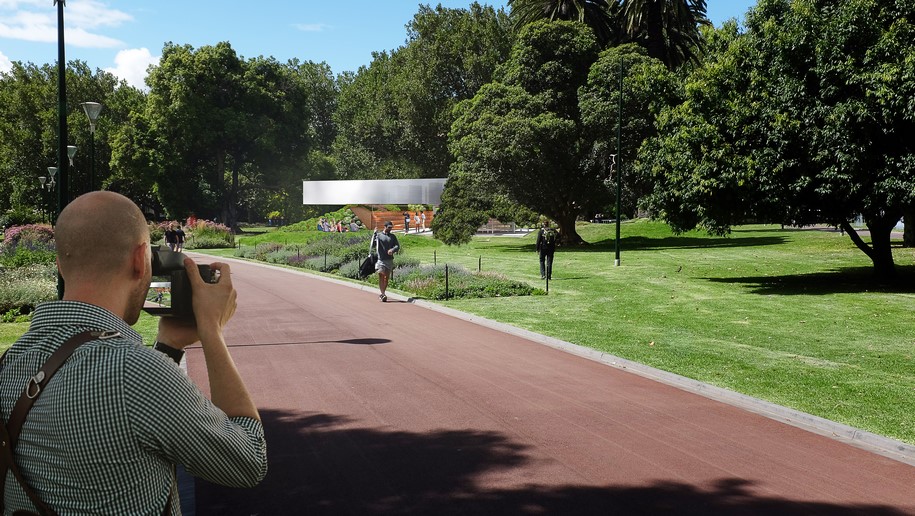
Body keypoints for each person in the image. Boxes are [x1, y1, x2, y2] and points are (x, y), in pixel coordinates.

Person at [0, 191, 266, 514]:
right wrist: (212, 332)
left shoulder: (11, 363)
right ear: (141, 260)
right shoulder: (135, 373)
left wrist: (168, 346)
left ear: (59, 265)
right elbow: (248, 460)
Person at [374, 221, 400, 302]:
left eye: (391, 227)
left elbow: (397, 246)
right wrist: (374, 233)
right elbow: (373, 244)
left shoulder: (392, 236)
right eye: (389, 227)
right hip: (381, 260)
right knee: (381, 275)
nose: (390, 229)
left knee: (386, 278)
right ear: (385, 227)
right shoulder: (379, 235)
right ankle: (383, 294)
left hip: (389, 260)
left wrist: (392, 250)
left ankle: (383, 293)